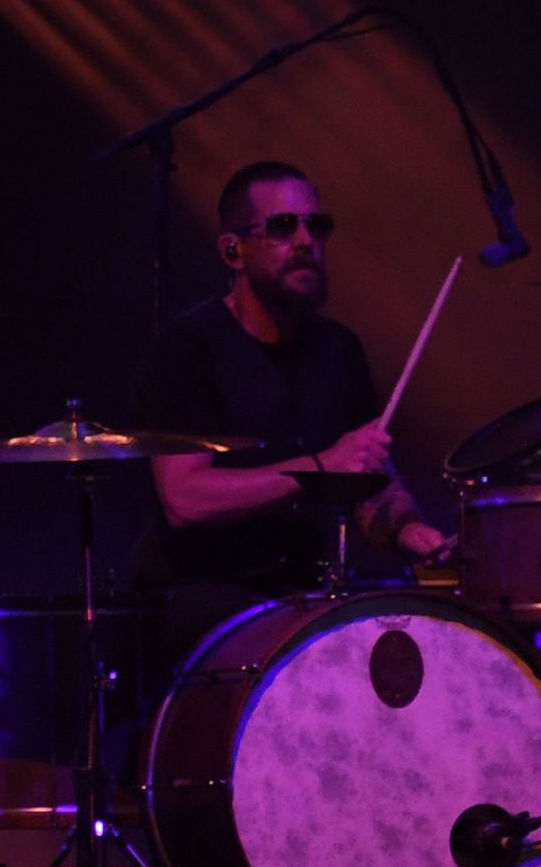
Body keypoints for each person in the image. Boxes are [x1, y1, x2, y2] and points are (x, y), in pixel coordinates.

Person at [129, 162, 447, 648]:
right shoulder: (188, 347)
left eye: (316, 226)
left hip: (303, 598)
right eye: (282, 226)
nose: (305, 241)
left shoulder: (340, 349)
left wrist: (409, 528)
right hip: (205, 603)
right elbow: (185, 500)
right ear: (232, 250)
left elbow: (368, 483)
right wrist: (320, 466)